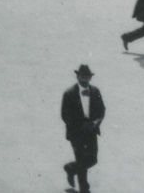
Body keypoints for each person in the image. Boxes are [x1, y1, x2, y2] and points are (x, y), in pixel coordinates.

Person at [61, 65, 105, 193]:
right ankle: (84, 189)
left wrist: (96, 122)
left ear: (91, 77)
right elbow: (65, 114)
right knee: (81, 160)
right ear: (77, 76)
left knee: (92, 159)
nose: (85, 78)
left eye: (88, 75)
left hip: (91, 130)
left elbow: (102, 110)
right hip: (76, 132)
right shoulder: (69, 93)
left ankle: (71, 168)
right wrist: (79, 126)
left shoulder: (95, 91)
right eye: (83, 75)